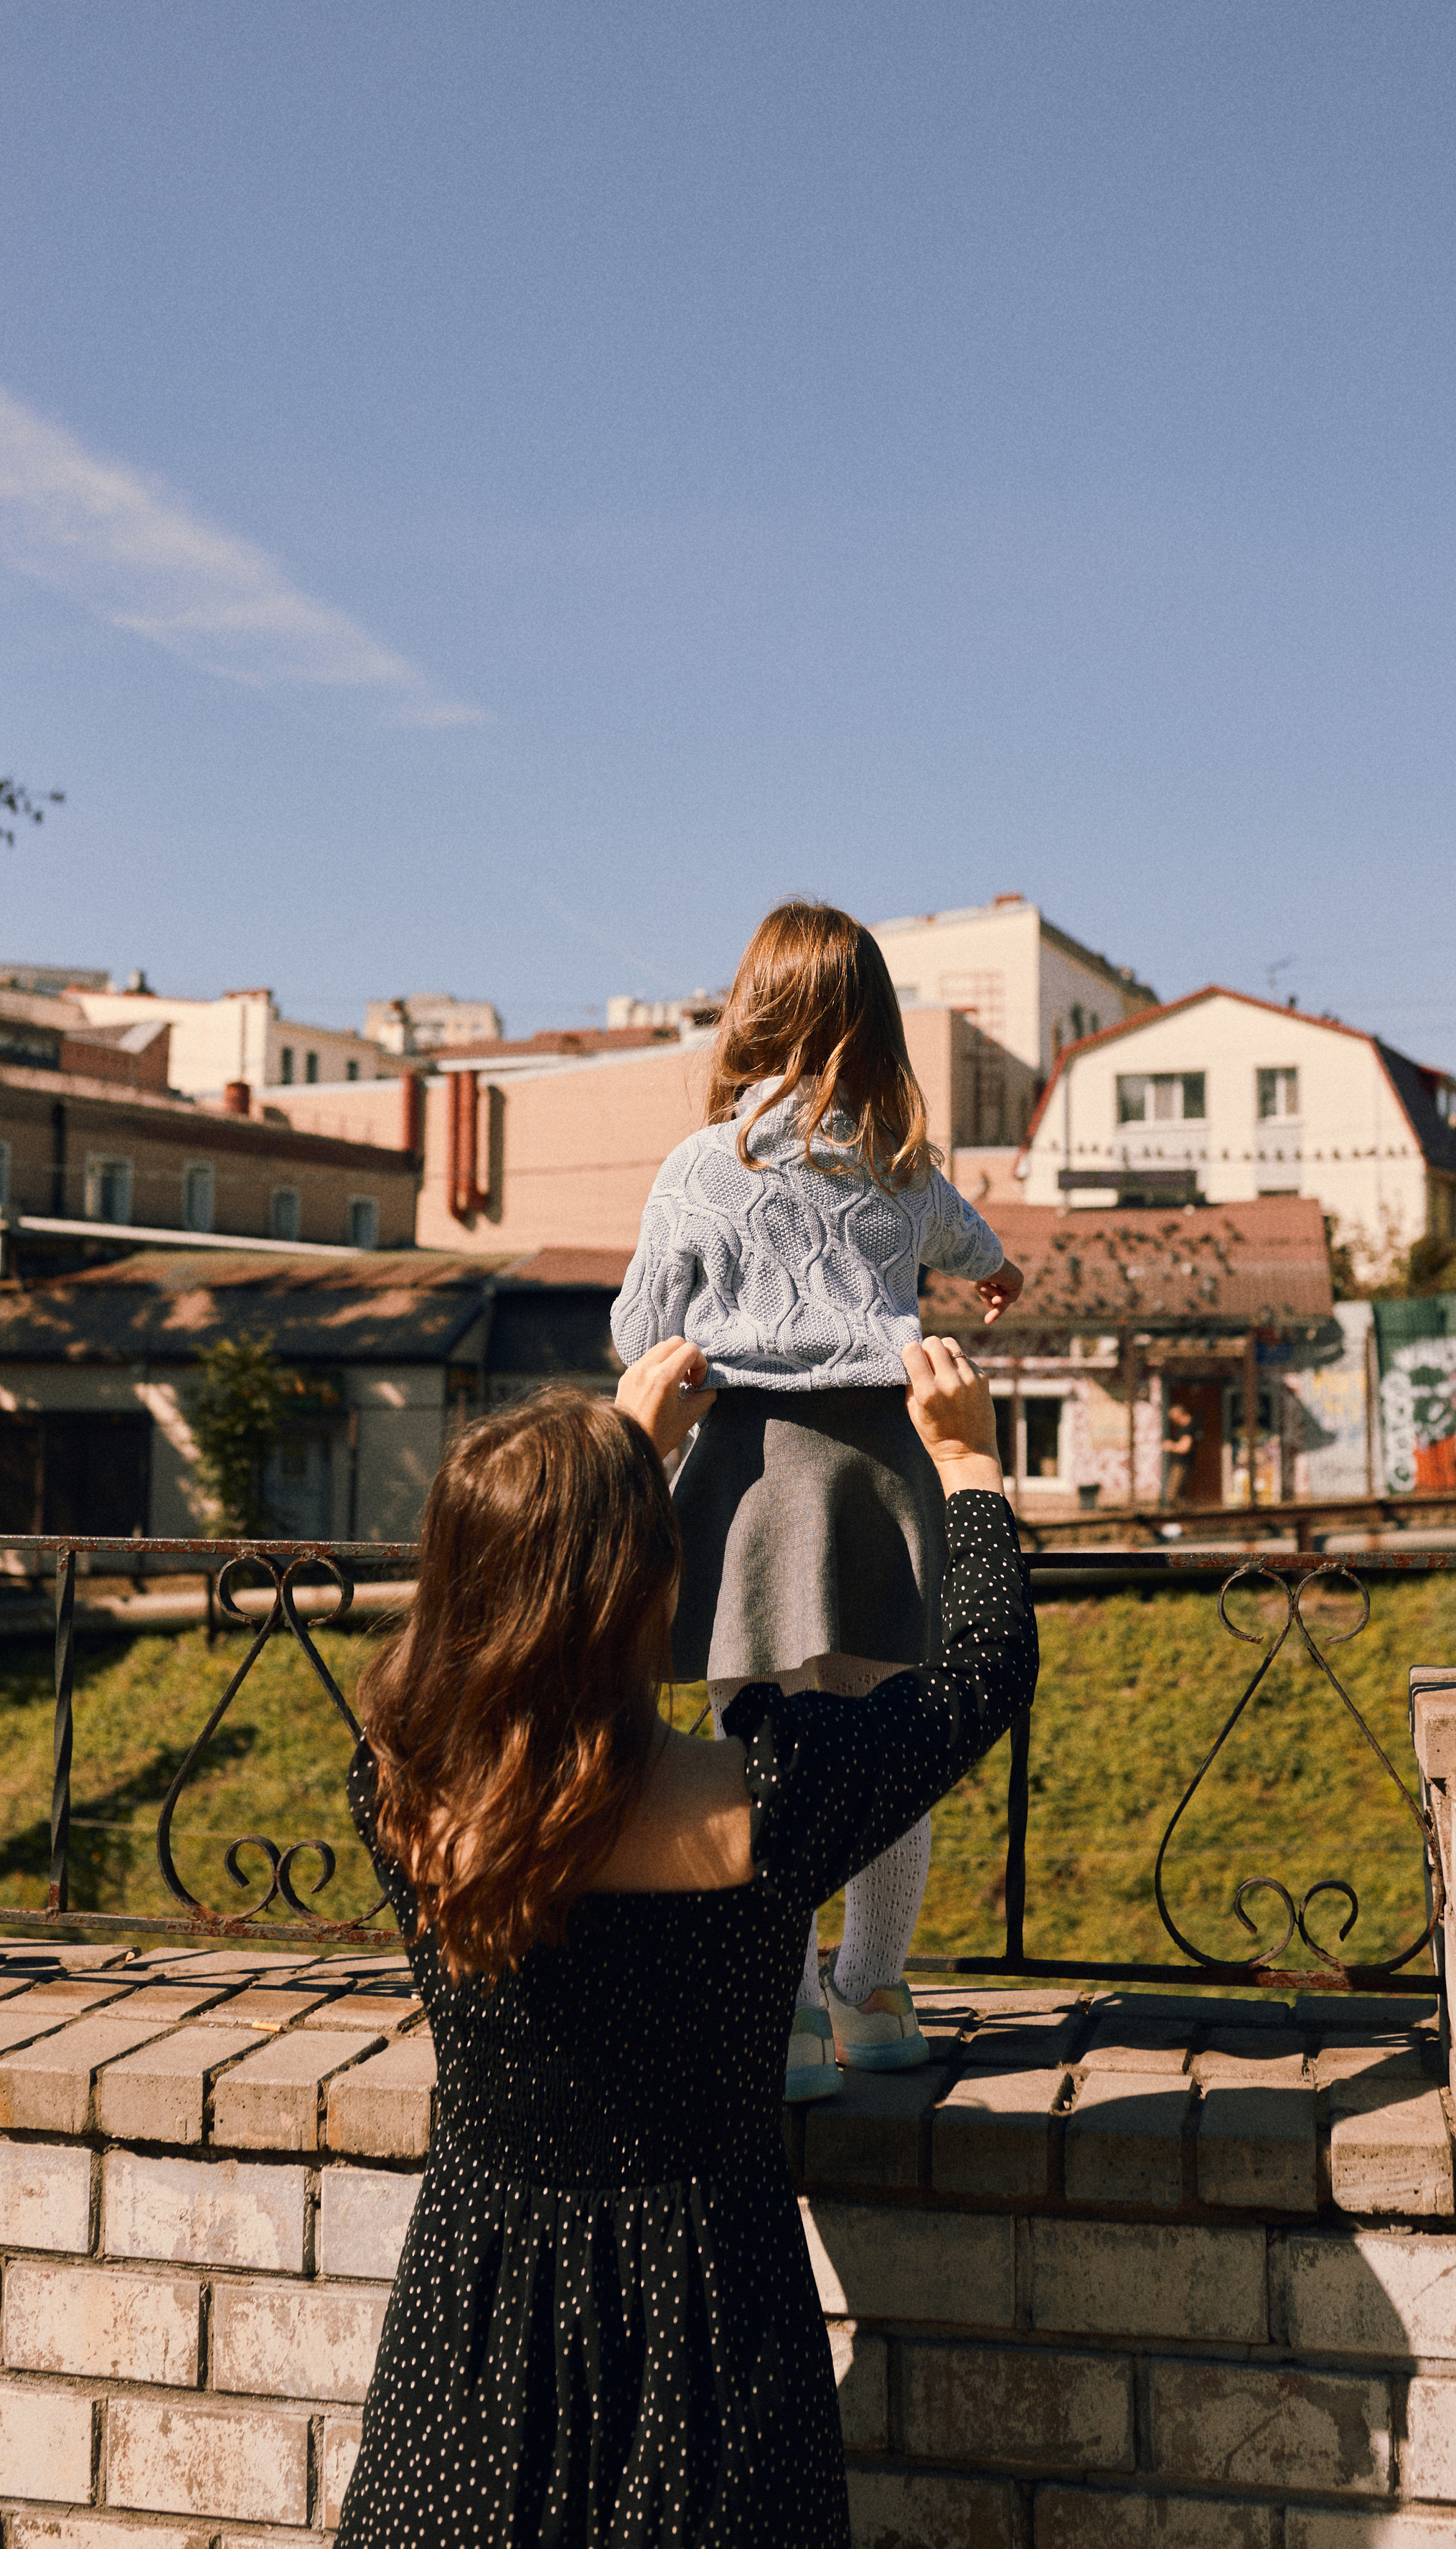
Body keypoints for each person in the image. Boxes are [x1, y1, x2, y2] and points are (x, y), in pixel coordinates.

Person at [337, 1333, 1036, 2549]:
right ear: (651, 1591)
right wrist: (969, 1464)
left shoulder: (397, 1790)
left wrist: (618, 1464)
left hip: (477, 2318)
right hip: (709, 2323)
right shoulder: (771, 1801)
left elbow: (515, 1679)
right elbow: (983, 1673)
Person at [611, 901, 1022, 2095]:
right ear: (876, 1024)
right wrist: (990, 1270)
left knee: (754, 1754)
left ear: (751, 1011)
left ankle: (782, 2018)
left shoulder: (701, 1167)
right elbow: (967, 1238)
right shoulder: (898, 1161)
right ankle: (874, 1996)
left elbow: (641, 1329)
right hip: (887, 1475)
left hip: (746, 1481)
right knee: (887, 1745)